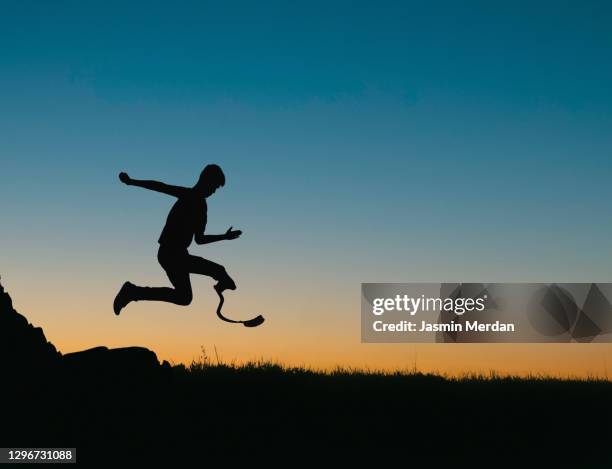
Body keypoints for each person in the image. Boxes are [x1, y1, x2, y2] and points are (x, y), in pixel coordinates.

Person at [113, 164, 242, 315]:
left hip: (178, 255)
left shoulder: (202, 207)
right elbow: (160, 187)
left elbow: (199, 239)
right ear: (206, 181)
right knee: (218, 271)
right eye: (214, 187)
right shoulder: (188, 195)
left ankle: (132, 292)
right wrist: (132, 181)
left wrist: (224, 237)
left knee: (185, 297)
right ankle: (132, 291)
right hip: (170, 253)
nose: (213, 192)